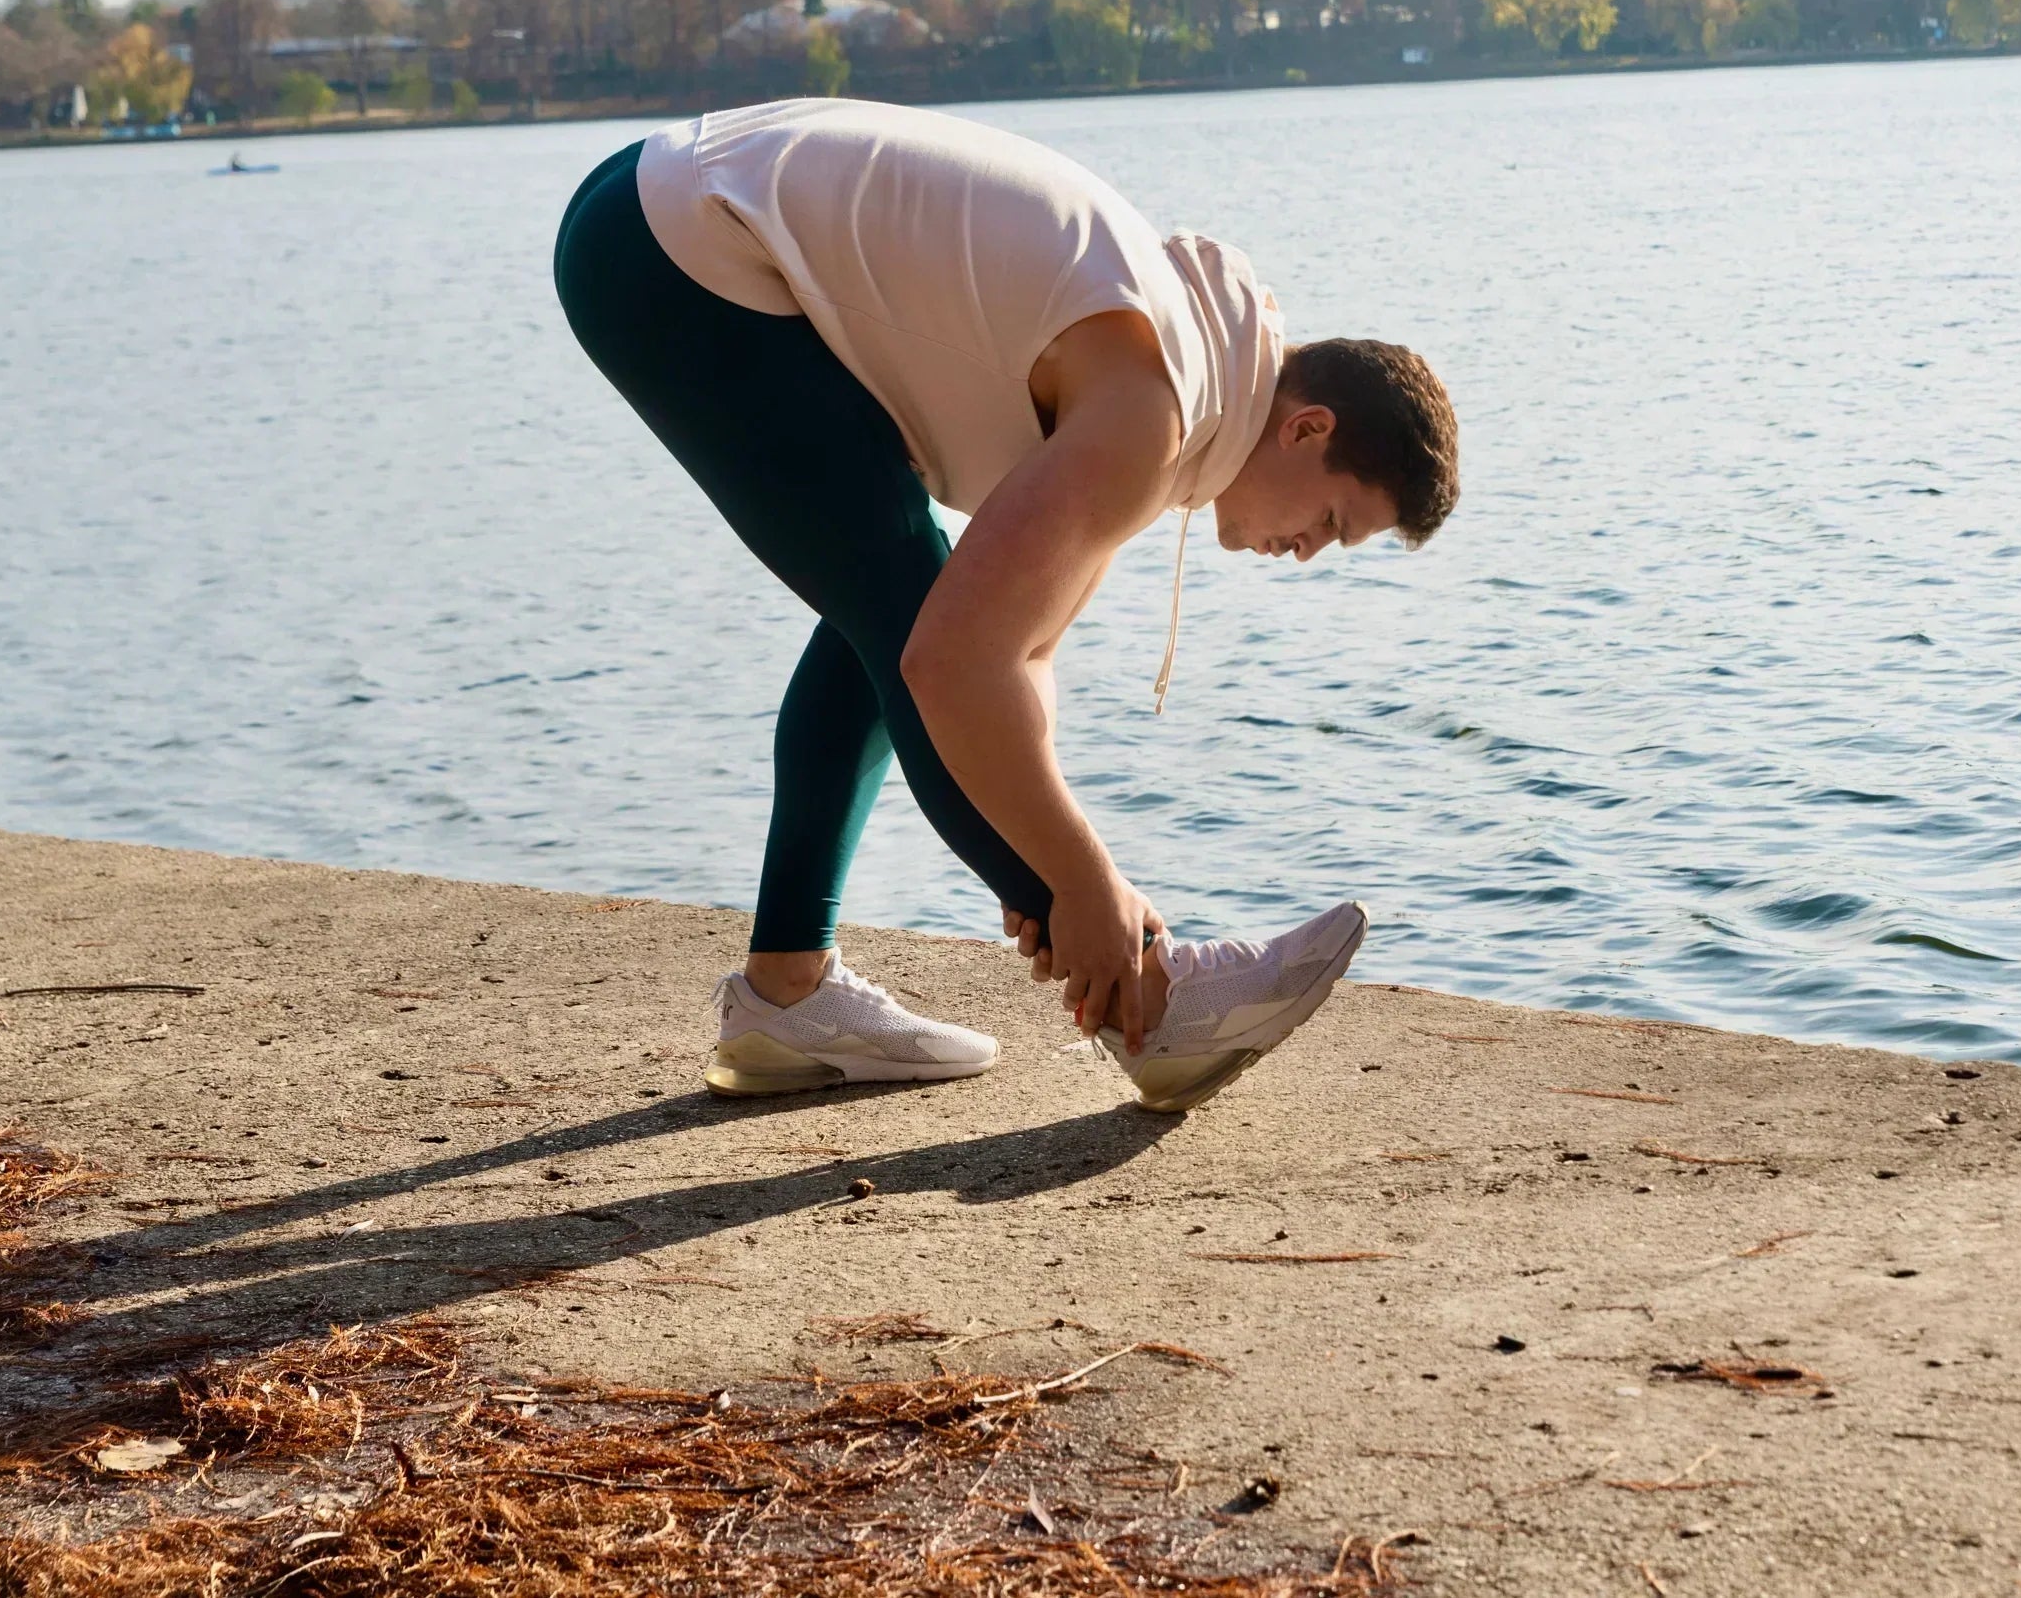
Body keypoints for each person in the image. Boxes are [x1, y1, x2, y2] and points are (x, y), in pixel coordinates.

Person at [553, 98, 1458, 1112]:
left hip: (651, 210)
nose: (1306, 554)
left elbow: (1021, 660)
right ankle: (1157, 1004)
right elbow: (954, 664)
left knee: (889, 601)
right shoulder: (1148, 409)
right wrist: (1080, 883)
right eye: (1332, 522)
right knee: (909, 616)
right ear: (1307, 430)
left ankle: (786, 994)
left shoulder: (1173, 370)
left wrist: (1065, 869)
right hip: (673, 244)